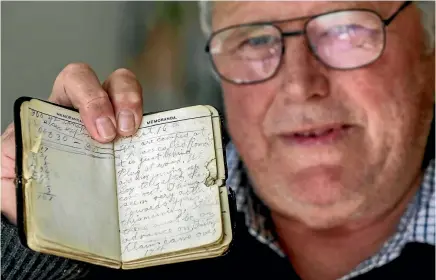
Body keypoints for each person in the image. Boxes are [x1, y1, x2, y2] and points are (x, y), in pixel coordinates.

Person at [1, 1, 434, 279]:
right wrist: (31, 237)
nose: (301, 85)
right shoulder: (127, 232)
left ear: (429, 56)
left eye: (346, 30)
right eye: (255, 40)